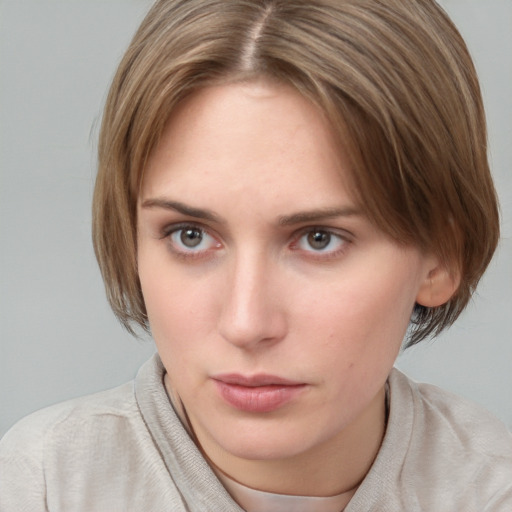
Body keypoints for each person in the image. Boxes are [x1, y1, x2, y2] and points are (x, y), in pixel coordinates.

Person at [1, 0, 511, 510]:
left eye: (319, 238)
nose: (247, 324)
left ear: (442, 255)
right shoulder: (41, 486)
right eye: (191, 235)